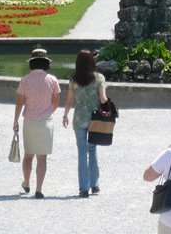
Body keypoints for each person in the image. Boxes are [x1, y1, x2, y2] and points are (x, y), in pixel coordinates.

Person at [14, 48, 61, 198]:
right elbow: (56, 102)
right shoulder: (52, 80)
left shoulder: (25, 80)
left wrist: (15, 120)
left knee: (28, 155)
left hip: (29, 121)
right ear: (46, 63)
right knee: (42, 157)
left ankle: (26, 183)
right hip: (46, 122)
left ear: (32, 63)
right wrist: (47, 112)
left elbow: (20, 103)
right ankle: (39, 189)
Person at [62, 49, 108, 198]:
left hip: (79, 119)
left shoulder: (73, 80)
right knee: (93, 150)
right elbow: (103, 98)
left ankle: (83, 188)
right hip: (94, 119)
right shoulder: (99, 78)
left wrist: (65, 115)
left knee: (82, 153)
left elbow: (69, 101)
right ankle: (94, 185)